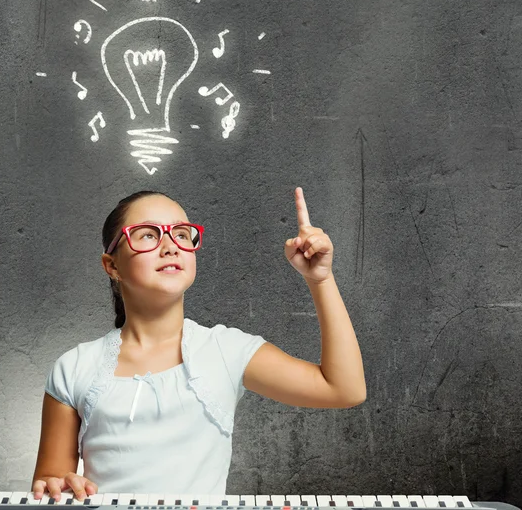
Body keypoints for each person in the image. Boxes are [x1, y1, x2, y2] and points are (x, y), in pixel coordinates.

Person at [31, 187, 366, 501]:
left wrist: (319, 279)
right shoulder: (73, 367)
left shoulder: (226, 350)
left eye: (181, 234)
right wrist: (58, 485)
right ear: (112, 265)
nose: (170, 245)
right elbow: (51, 483)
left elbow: (344, 389)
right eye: (148, 235)